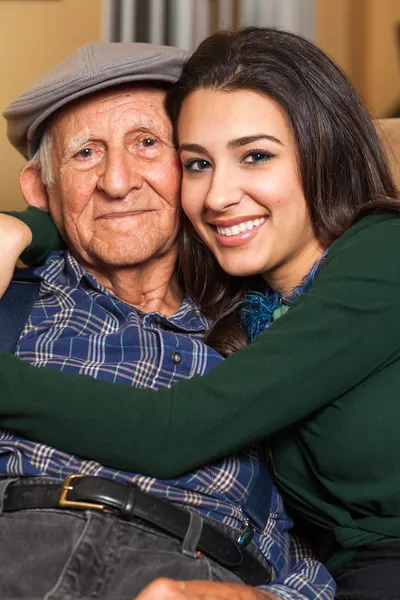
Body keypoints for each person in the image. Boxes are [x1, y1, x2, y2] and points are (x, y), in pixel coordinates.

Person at [1, 26, 399, 599]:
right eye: (86, 153)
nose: (117, 181)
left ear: (319, 152)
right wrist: (27, 227)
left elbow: (176, 432)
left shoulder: (271, 313)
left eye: (147, 144)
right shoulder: (258, 315)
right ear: (42, 186)